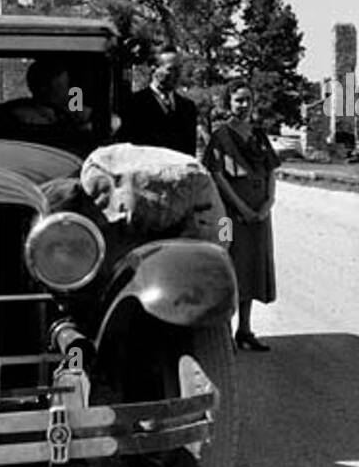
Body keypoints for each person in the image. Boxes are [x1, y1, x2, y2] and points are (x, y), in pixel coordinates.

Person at [203, 82, 281, 352]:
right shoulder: (221, 136)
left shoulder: (259, 136)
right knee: (228, 263)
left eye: (248, 100)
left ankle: (244, 330)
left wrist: (268, 203)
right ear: (229, 103)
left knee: (251, 268)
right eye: (238, 100)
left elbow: (271, 170)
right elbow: (217, 174)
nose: (243, 105)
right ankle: (222, 333)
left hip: (259, 216)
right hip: (228, 216)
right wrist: (241, 208)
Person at [117, 46, 199, 156]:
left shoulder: (188, 107)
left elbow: (190, 152)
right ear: (153, 68)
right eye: (171, 69)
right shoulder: (134, 105)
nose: (177, 74)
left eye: (179, 69)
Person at [7, 58, 94, 152]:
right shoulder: (26, 115)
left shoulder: (72, 113)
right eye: (64, 86)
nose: (70, 91)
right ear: (47, 88)